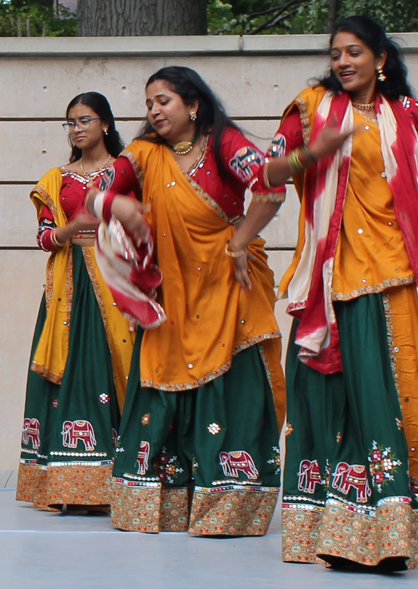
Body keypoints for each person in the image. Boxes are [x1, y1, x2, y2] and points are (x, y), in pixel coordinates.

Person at [264, 16, 418, 570]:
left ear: (381, 59)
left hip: (406, 280)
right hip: (338, 281)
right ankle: (351, 533)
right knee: (344, 402)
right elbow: (268, 172)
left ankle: (403, 531)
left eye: (354, 52)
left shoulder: (408, 115)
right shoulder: (309, 108)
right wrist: (310, 155)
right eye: (336, 53)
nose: (343, 62)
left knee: (409, 401)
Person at [86, 66, 286, 535]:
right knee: (158, 389)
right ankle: (159, 506)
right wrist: (115, 205)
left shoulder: (224, 144)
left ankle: (229, 508)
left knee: (236, 390)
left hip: (228, 289)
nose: (154, 110)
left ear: (193, 105)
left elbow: (269, 188)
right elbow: (93, 195)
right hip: (171, 295)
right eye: (149, 102)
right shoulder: (142, 155)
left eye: (164, 101)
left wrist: (240, 240)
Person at [16, 92, 134, 511]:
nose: (76, 128)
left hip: (117, 282)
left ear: (105, 124)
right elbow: (45, 237)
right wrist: (72, 230)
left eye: (84, 120)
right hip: (68, 286)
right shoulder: (57, 178)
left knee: (110, 371)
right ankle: (66, 484)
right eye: (70, 122)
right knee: (66, 372)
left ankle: (118, 479)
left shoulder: (126, 171)